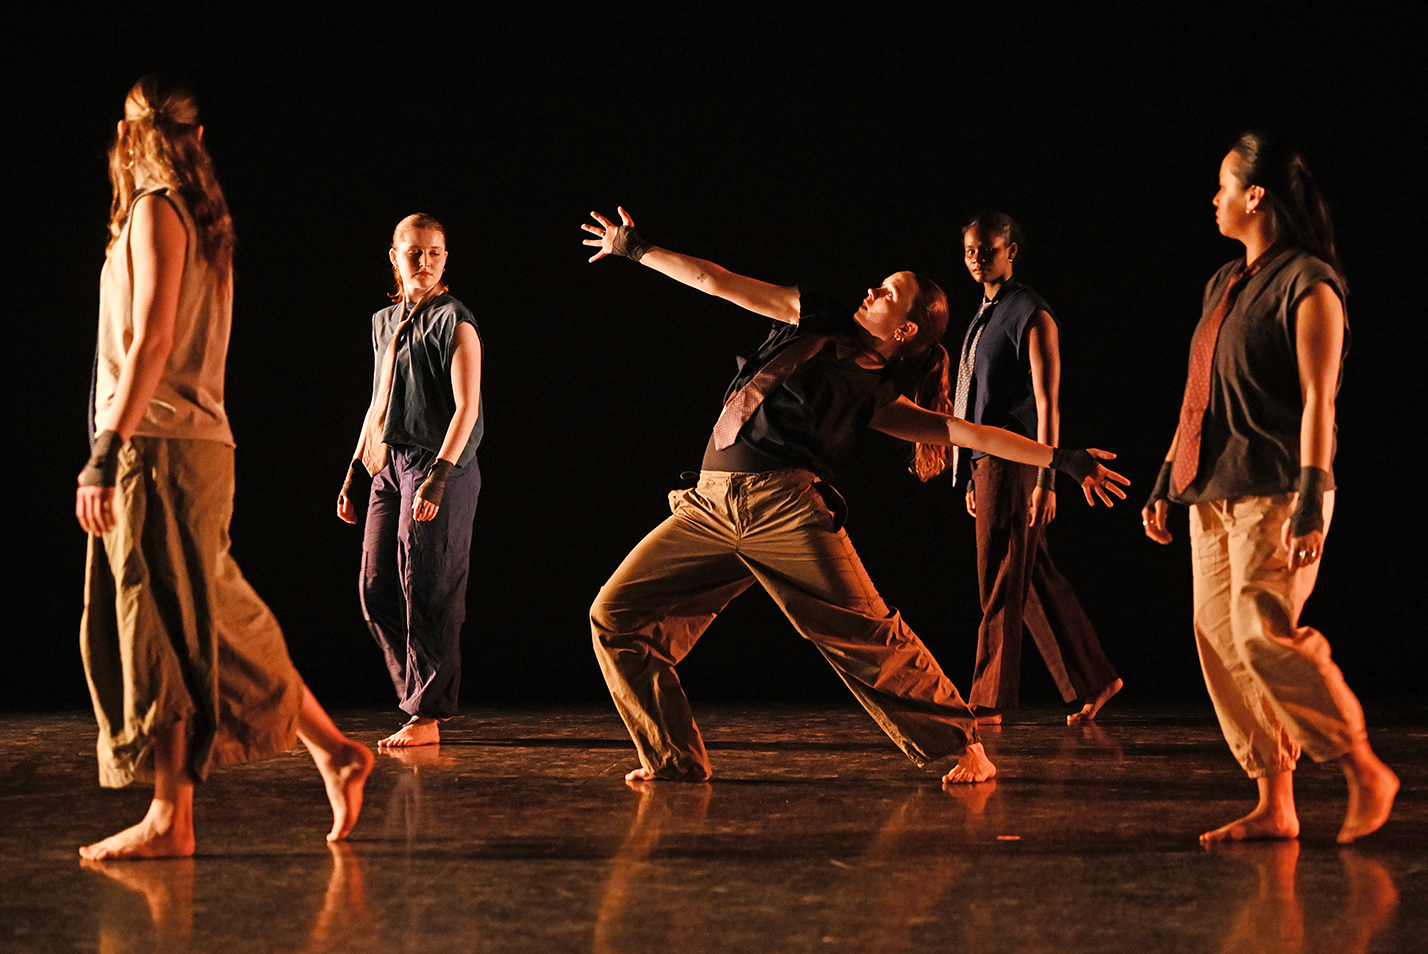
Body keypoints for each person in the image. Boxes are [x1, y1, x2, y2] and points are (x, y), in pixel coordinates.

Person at [581, 207, 1129, 785]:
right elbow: (717, 282)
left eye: (889, 292)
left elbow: (966, 432)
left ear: (905, 330)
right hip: (708, 507)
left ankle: (963, 744)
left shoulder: (878, 393)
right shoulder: (815, 314)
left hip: (786, 513)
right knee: (616, 615)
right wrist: (635, 249)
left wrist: (1060, 459)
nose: (872, 290)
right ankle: (674, 759)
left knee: (868, 634)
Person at [75, 77, 373, 860]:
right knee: (200, 623)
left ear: (125, 136)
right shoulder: (198, 219)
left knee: (163, 628)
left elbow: (151, 339)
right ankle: (321, 757)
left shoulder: (156, 213)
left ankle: (174, 815)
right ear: (198, 138)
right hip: (185, 444)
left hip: (159, 446)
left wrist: (106, 451)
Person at [1142, 132, 1397, 844]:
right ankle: (1275, 802)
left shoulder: (1309, 282)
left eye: (1224, 186)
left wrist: (1312, 498)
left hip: (1279, 490)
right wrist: (1167, 478)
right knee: (1221, 640)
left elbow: (1320, 401)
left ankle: (1362, 766)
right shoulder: (1223, 283)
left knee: (1261, 631)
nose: (1214, 198)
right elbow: (1200, 394)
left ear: (1256, 196)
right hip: (1213, 490)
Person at [947, 212, 1121, 726]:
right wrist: (971, 470)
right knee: (1032, 575)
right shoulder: (984, 314)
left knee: (1001, 575)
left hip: (1019, 462)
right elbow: (978, 403)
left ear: (1012, 250)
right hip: (988, 463)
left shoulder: (1030, 312)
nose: (977, 258)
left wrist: (1047, 480)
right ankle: (1095, 679)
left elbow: (1047, 403)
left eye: (988, 249)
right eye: (970, 250)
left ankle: (988, 698)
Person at [336, 214, 484, 747]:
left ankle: (427, 714)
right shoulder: (384, 321)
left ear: (445, 257)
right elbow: (379, 399)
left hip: (436, 463)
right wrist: (354, 471)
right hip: (387, 463)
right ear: (394, 257)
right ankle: (416, 697)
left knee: (429, 587)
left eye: (435, 252)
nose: (425, 262)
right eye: (414, 252)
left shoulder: (454, 320)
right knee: (376, 585)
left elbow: (467, 407)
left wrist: (439, 477)